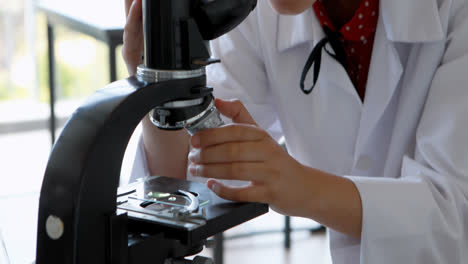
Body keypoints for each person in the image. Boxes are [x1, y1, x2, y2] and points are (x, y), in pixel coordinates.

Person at [122, 0, 468, 263]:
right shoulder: (257, 14)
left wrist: (301, 187)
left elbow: (455, 215)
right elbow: (180, 181)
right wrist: (155, 77)